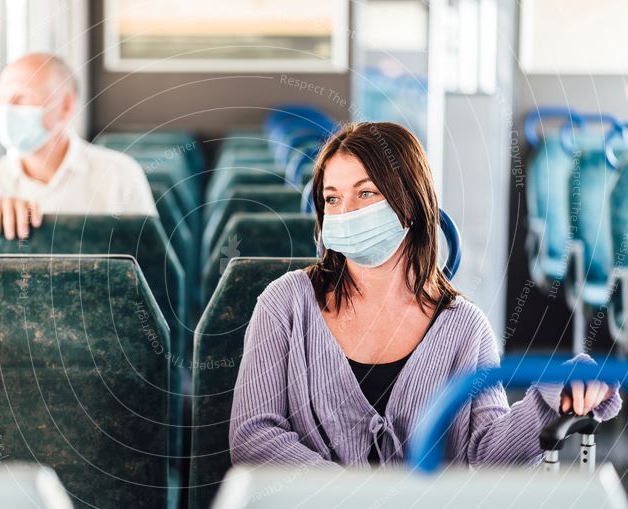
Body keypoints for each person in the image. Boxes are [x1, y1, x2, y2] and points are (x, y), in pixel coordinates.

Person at [229, 121, 622, 467]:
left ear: (410, 205)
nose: (345, 211)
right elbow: (253, 435)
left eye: (365, 194)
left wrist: (552, 396)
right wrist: (350, 503)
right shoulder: (285, 304)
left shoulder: (464, 328)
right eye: (332, 198)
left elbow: (485, 455)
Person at [0, 53, 157, 242]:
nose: (7, 110)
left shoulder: (119, 174)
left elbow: (150, 259)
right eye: (2, 100)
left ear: (65, 106)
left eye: (22, 98)